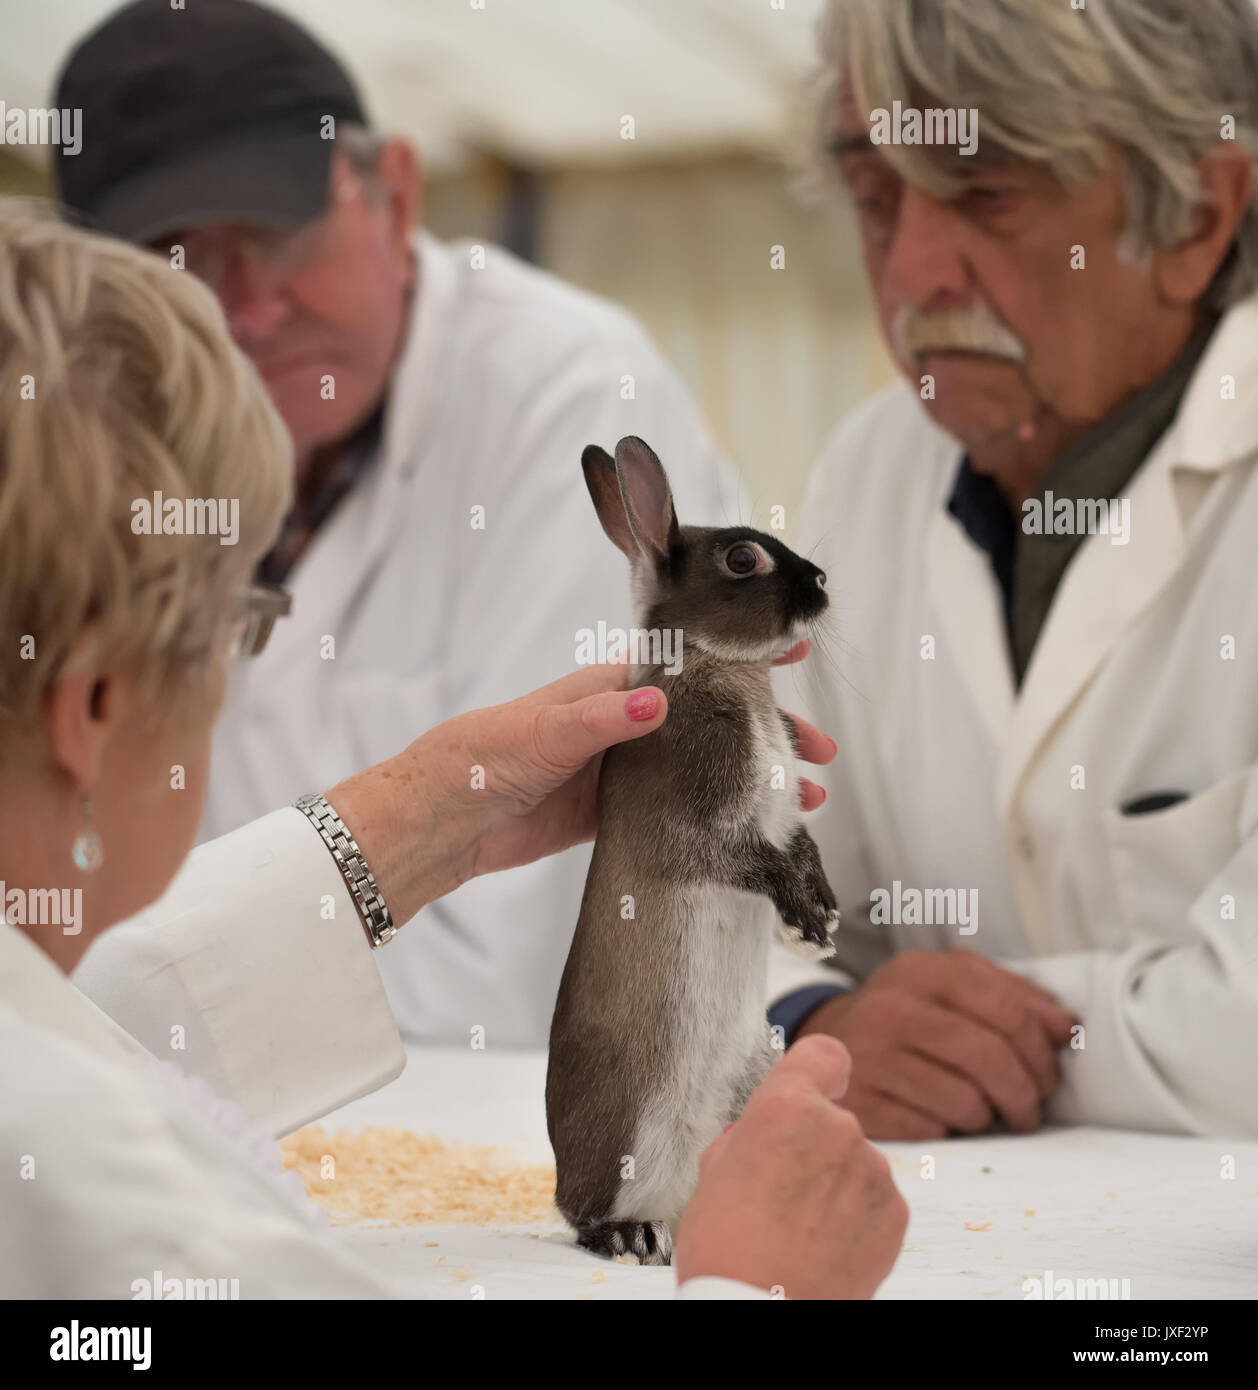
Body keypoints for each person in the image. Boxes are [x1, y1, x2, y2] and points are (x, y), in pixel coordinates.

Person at [0, 206, 908, 1299]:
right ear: (94, 701)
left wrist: (423, 820)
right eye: (238, 625)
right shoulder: (123, 1213)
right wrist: (758, 1281)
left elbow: (83, 1024)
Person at [51, 0, 743, 1045]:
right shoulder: (90, 442)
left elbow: (515, 979)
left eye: (274, 233)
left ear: (396, 192)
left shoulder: (568, 401)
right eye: (176, 258)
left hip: (497, 1129)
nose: (245, 308)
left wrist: (155, 983)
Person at [771, 0, 1258, 1139]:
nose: (915, 273)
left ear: (1193, 214)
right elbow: (728, 902)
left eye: (984, 191)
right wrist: (811, 1022)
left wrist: (931, 1038)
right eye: (876, 197)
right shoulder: (873, 474)